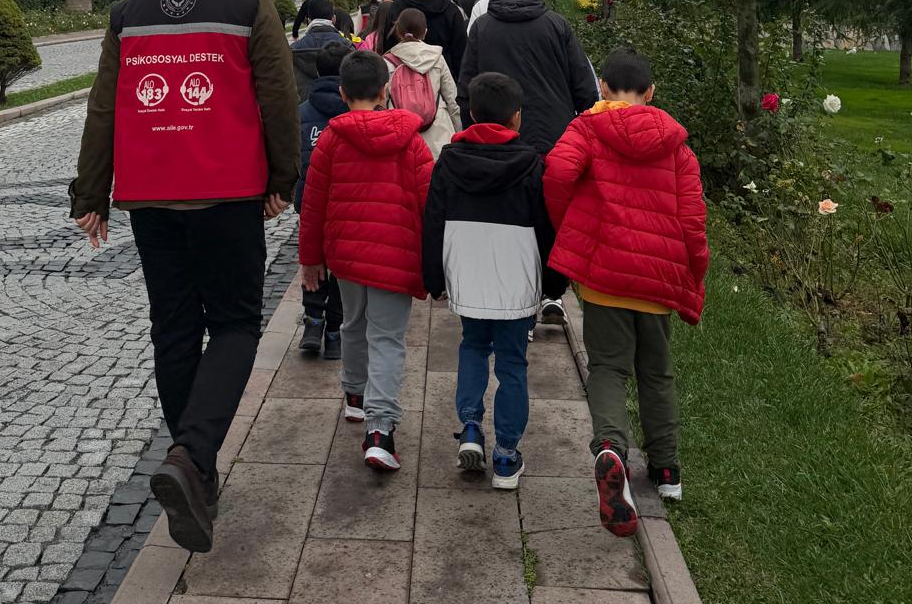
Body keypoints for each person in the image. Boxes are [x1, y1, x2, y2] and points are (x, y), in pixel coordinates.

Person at [69, 0, 299, 554]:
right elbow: (278, 97)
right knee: (233, 323)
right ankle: (192, 454)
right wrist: (284, 179)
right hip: (226, 193)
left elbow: (105, 104)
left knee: (173, 326)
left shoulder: (129, 13)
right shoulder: (250, 4)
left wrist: (92, 192)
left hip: (150, 196)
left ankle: (195, 469)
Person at [544, 47, 708, 539]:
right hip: (657, 280)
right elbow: (693, 219)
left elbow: (555, 175)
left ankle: (611, 448)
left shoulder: (585, 131)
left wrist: (569, 226)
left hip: (602, 277)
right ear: (651, 92)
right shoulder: (677, 146)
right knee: (657, 373)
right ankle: (666, 470)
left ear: (602, 89)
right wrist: (693, 272)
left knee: (609, 369)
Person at [422, 72, 568, 490]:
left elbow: (433, 221)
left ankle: (470, 426)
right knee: (512, 362)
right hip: (516, 275)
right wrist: (553, 283)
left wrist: (433, 275)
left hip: (467, 271)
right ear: (517, 118)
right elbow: (546, 227)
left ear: (470, 113)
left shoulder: (449, 160)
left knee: (472, 346)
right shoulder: (532, 164)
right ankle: (506, 453)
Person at [298, 49, 434, 472]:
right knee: (388, 338)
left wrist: (311, 260)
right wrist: (436, 262)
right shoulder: (412, 143)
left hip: (347, 256)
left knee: (352, 323)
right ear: (385, 91)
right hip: (397, 255)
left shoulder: (332, 142)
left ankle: (354, 394)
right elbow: (431, 203)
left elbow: (314, 205)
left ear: (341, 93)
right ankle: (380, 429)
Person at [459, 0, 597, 326]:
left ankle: (516, 301)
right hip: (552, 139)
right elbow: (585, 89)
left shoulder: (483, 28)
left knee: (507, 219)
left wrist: (471, 132)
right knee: (550, 215)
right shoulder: (557, 26)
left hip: (497, 140)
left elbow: (466, 87)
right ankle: (553, 294)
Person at [295, 44, 349, 358]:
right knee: (340, 267)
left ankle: (313, 320)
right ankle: (335, 333)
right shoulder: (354, 113)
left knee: (312, 259)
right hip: (345, 203)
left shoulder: (302, 111)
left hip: (309, 200)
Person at [383, 6, 461, 160]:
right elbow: (452, 99)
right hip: (439, 136)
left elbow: (382, 102)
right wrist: (458, 132)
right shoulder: (437, 57)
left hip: (400, 138)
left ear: (398, 31)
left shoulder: (387, 62)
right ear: (425, 32)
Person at [384, 0, 468, 80]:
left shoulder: (397, 7)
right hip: (442, 83)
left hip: (403, 85)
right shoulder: (451, 10)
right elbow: (461, 53)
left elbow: (388, 46)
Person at [290, 0, 352, 100]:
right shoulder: (348, 47)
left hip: (304, 112)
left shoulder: (293, 50)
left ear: (308, 20)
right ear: (334, 19)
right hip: (342, 110)